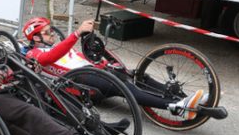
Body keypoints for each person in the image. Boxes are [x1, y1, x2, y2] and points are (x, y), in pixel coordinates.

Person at [22, 17, 207, 120]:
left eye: (51, 29)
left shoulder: (57, 45)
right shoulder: (34, 54)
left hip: (91, 72)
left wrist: (102, 63)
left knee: (139, 77)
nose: (52, 33)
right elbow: (49, 58)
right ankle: (174, 106)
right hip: (80, 83)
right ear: (36, 38)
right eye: (47, 32)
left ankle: (184, 99)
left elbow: (79, 57)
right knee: (126, 88)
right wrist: (76, 34)